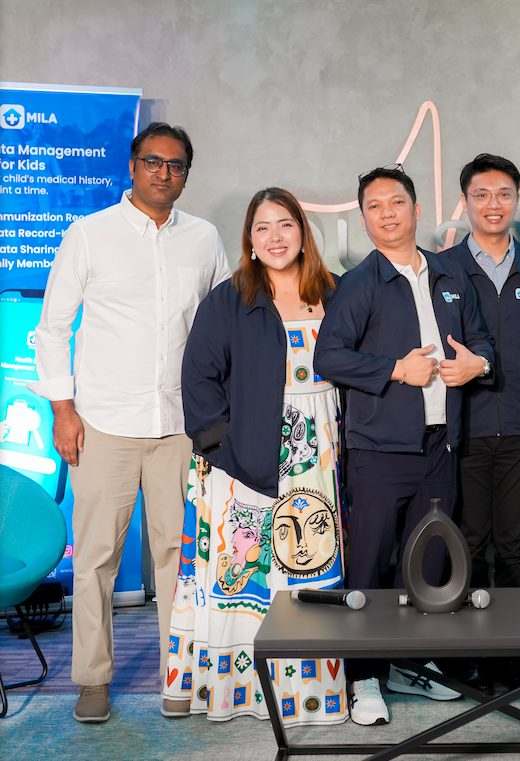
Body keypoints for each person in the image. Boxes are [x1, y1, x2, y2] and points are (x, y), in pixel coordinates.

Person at [30, 122, 229, 723]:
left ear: (186, 174)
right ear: (133, 166)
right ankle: (92, 680)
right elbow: (53, 329)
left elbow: (223, 326)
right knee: (95, 560)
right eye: (152, 161)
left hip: (180, 426)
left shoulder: (204, 238)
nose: (163, 173)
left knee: (178, 560)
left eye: (175, 165)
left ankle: (178, 675)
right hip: (103, 424)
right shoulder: (89, 234)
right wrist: (63, 410)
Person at [314, 165, 494, 725]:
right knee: (370, 564)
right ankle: (364, 677)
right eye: (374, 206)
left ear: (416, 210)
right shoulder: (358, 283)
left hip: (442, 446)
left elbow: (481, 340)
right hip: (379, 451)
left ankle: (411, 664)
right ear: (364, 218)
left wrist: (478, 364)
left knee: (428, 561)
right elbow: (329, 357)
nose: (387, 214)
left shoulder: (449, 276)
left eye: (396, 202)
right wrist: (395, 369)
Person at [160, 187, 348, 725]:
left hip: (319, 458)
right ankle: (235, 690)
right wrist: (224, 449)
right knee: (243, 573)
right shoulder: (230, 299)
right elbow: (198, 376)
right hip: (241, 459)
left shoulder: (334, 292)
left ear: (303, 232)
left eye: (285, 224)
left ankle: (308, 692)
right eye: (262, 227)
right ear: (249, 239)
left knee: (310, 564)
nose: (274, 237)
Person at [440, 154, 520, 693]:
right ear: (465, 201)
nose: (493, 205)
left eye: (504, 194)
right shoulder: (442, 269)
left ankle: (516, 658)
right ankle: (465, 659)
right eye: (482, 195)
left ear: (517, 200)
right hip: (460, 432)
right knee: (465, 544)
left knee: (515, 548)